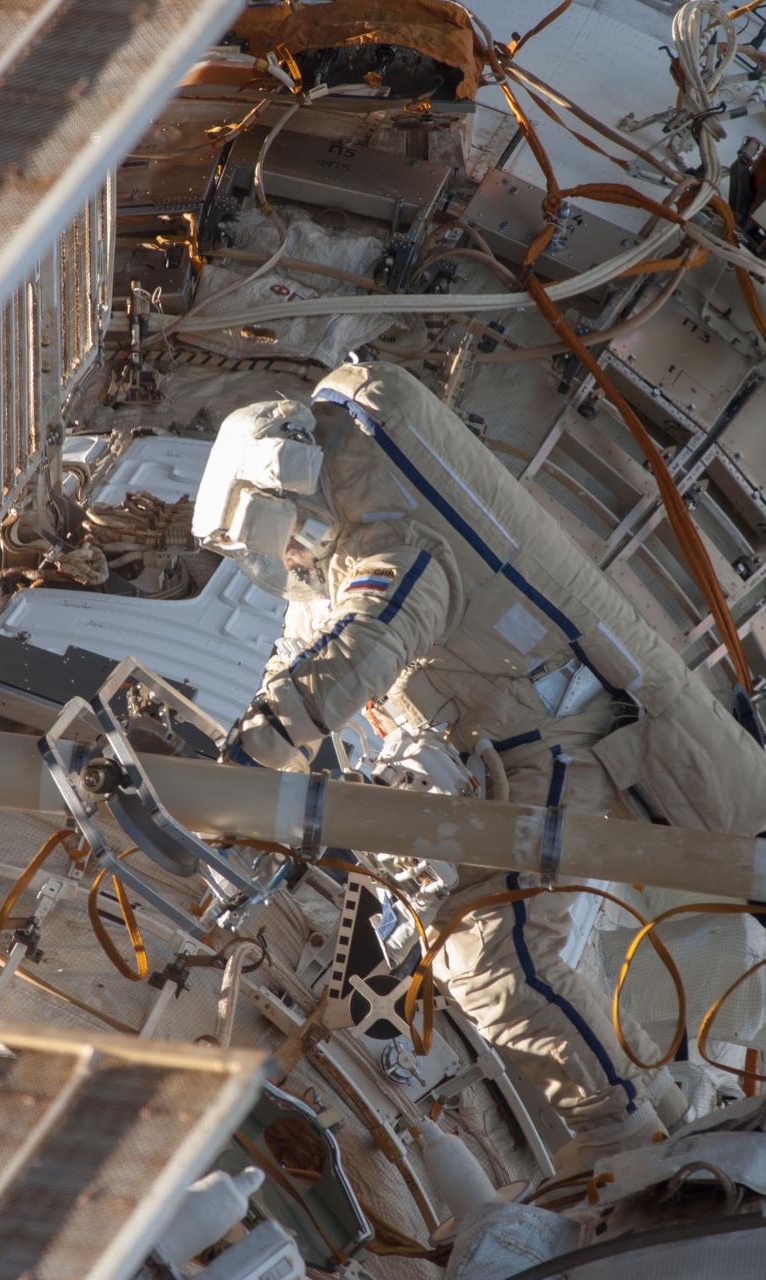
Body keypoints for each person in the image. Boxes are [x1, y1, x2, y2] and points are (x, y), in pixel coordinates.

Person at [192, 361, 766, 1167]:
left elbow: (364, 643)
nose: (288, 558)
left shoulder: (396, 540)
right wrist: (248, 761)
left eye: (284, 536)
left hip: (557, 742)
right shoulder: (352, 535)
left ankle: (637, 1151)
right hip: (514, 743)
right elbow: (303, 654)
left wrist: (251, 760)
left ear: (294, 485)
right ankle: (660, 1111)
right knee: (499, 957)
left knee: (500, 963)